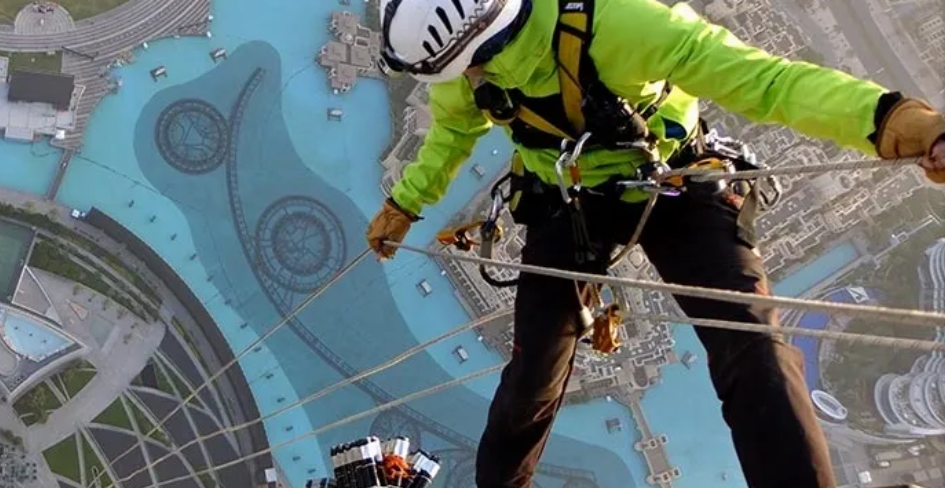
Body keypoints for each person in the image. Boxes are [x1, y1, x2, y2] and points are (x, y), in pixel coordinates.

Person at [363, 0, 945, 487]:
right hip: (570, 194)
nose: (462, 83)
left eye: (463, 70)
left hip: (670, 178)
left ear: (480, 48)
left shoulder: (620, 22)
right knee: (537, 377)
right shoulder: (472, 69)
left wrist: (894, 122)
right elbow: (453, 131)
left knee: (753, 349)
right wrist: (405, 203)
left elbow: (768, 81)